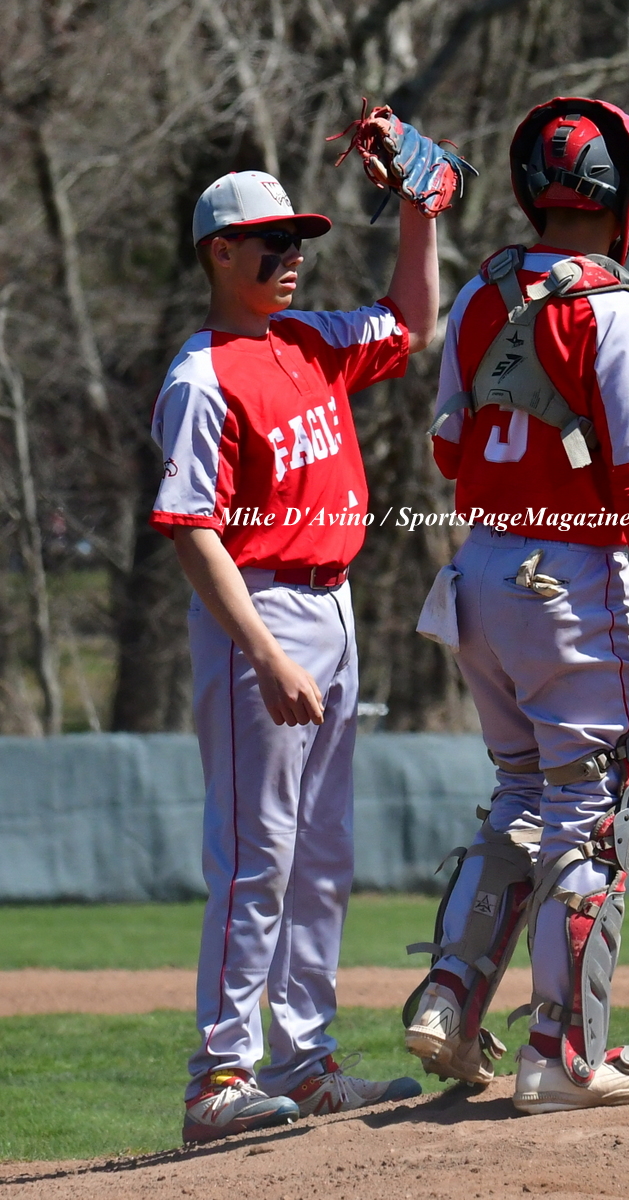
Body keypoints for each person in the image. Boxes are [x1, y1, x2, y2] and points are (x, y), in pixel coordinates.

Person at [402, 98, 629, 1114]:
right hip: (567, 579)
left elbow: (447, 449)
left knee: (522, 794)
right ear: (624, 194)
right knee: (595, 812)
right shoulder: (617, 308)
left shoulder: (481, 292)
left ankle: (451, 995)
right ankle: (562, 1054)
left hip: (478, 572)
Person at [150, 163, 439, 1142]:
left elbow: (412, 321)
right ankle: (218, 1076)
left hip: (334, 599)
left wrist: (418, 207)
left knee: (320, 855)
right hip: (260, 608)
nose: (293, 257)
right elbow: (192, 531)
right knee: (255, 854)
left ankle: (304, 1062)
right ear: (219, 253)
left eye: (300, 240)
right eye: (272, 242)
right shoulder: (200, 377)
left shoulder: (306, 340)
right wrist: (266, 654)